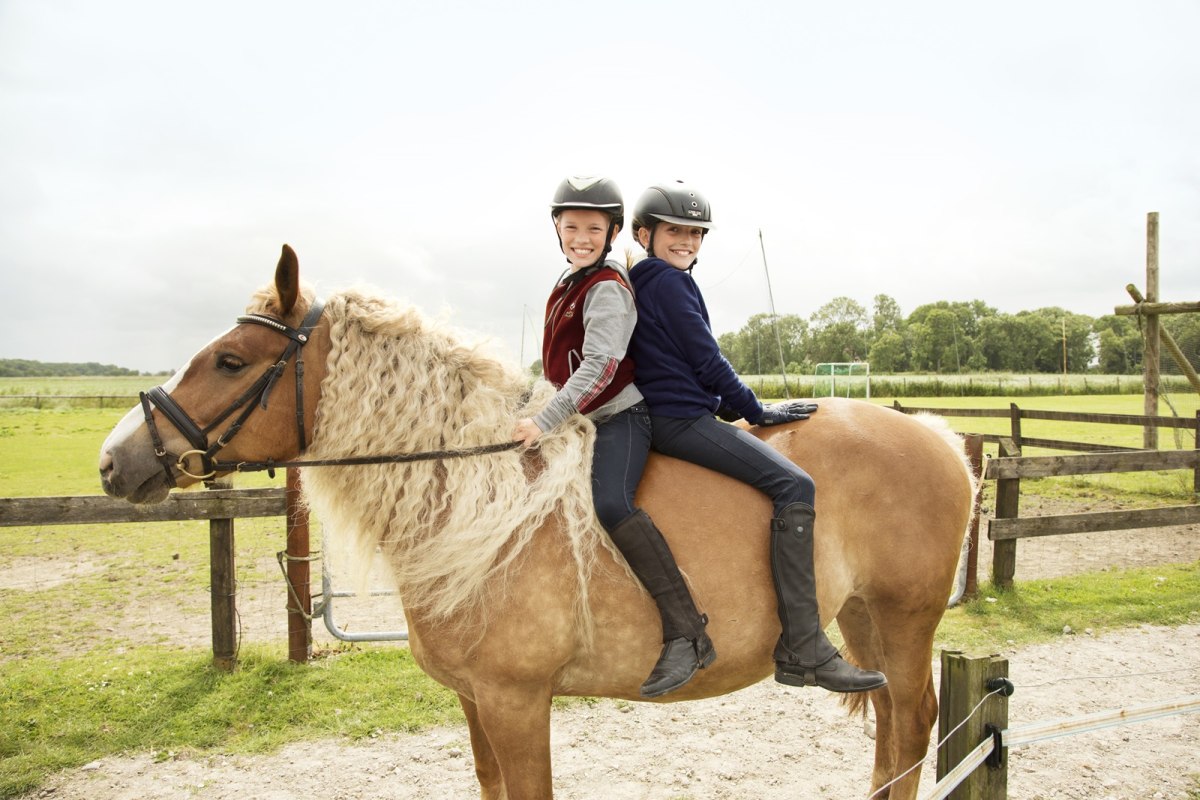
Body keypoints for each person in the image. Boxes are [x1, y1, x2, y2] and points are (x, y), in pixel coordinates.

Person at [626, 180, 887, 693]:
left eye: (696, 234)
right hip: (679, 424)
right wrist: (756, 411)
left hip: (672, 412)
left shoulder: (645, 281)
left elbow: (674, 366)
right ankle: (803, 646)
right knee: (796, 486)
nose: (687, 242)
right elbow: (707, 360)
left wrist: (726, 405)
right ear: (644, 234)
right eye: (674, 231)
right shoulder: (669, 282)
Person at [512, 176, 715, 698]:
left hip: (621, 418)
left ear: (615, 232)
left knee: (612, 504)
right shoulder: (569, 280)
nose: (582, 236)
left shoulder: (606, 286)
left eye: (594, 228)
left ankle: (687, 630)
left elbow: (601, 366)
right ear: (557, 229)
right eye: (572, 226)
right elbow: (559, 367)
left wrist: (543, 420)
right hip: (580, 417)